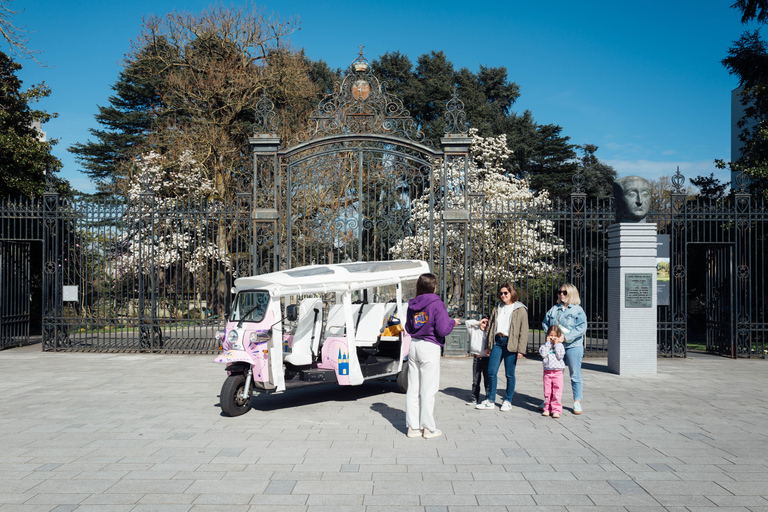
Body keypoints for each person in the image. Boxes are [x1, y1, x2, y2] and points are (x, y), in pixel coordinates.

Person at [404, 273, 459, 439]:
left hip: (414, 345)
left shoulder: (412, 303)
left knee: (413, 388)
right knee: (428, 389)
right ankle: (428, 428)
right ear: (434, 287)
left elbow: (408, 327)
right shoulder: (437, 303)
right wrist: (453, 323)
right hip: (429, 346)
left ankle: (413, 427)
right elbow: (442, 329)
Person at [475, 283, 529, 412]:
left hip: (511, 343)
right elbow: (491, 327)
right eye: (501, 293)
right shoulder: (497, 308)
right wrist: (488, 345)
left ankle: (507, 400)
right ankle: (490, 400)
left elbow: (524, 330)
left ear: (511, 293)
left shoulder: (520, 309)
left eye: (506, 293)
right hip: (497, 342)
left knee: (509, 373)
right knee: (491, 371)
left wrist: (521, 349)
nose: (503, 295)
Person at [541, 283, 587, 415]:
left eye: (564, 292)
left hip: (573, 346)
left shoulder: (577, 310)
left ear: (571, 293)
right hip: (554, 347)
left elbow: (582, 328)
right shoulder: (554, 309)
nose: (561, 294)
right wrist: (551, 336)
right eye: (560, 292)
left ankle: (577, 402)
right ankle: (549, 401)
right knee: (552, 374)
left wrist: (565, 337)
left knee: (574, 373)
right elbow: (545, 323)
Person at [539, 325, 566, 418]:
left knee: (557, 392)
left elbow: (560, 356)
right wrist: (547, 343)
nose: (553, 338)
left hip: (558, 372)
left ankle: (556, 410)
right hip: (547, 372)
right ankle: (547, 408)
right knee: (547, 392)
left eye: (555, 335)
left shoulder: (560, 346)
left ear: (558, 336)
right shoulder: (545, 345)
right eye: (551, 335)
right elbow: (543, 354)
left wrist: (557, 344)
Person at [465, 316, 489, 406]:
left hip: (487, 358)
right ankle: (474, 399)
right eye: (484, 322)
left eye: (487, 323)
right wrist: (479, 322)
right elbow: (467, 322)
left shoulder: (489, 333)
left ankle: (488, 398)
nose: (485, 325)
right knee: (476, 380)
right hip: (476, 358)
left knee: (487, 380)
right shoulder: (474, 330)